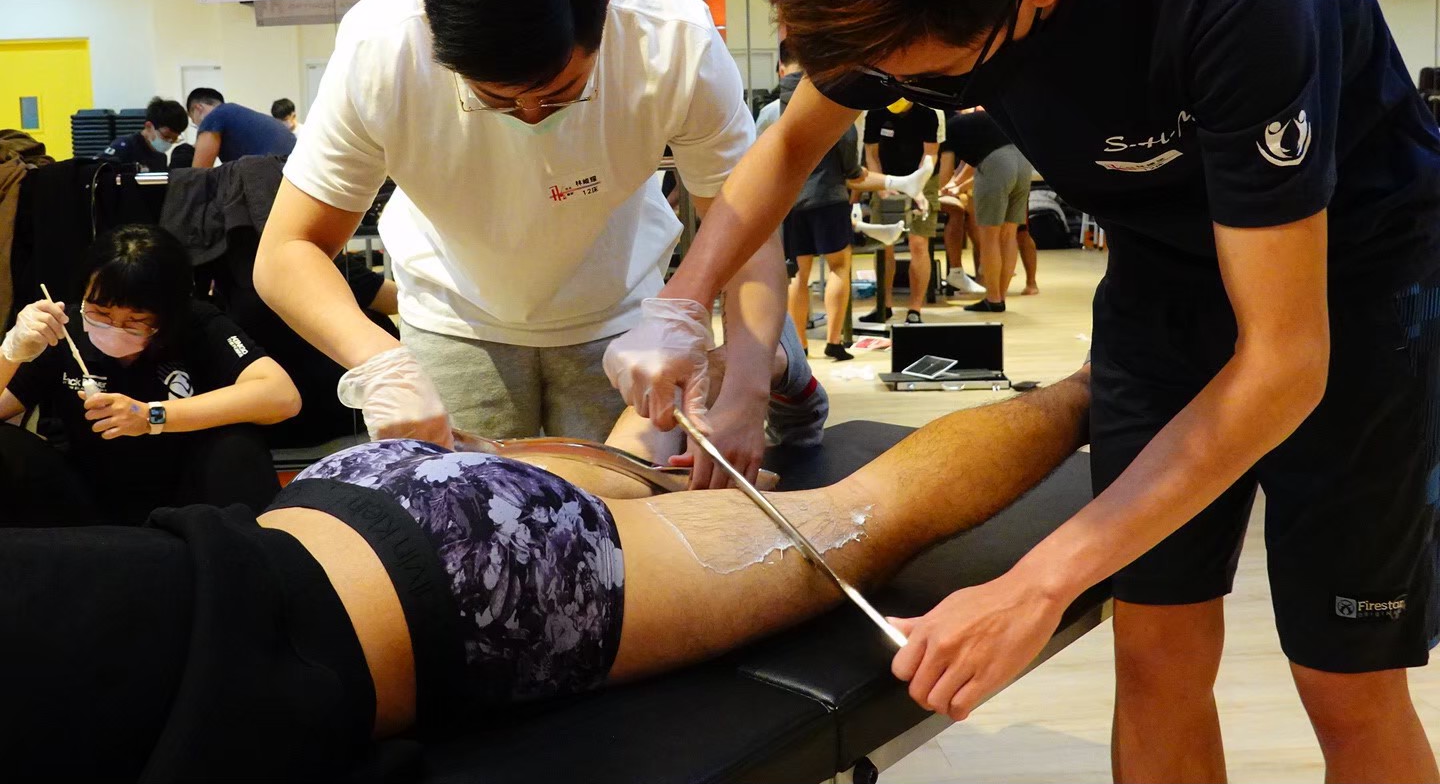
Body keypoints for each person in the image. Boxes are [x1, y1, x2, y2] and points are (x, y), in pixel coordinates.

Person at [605, 0, 1440, 783]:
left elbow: (1285, 362)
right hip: (1159, 278)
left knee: (1346, 679)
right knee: (1158, 648)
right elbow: (788, 147)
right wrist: (682, 301)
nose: (895, 89)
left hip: (1355, 282)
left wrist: (1037, 584)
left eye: (923, 74)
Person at [0, 358, 1091, 782]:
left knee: (865, 513)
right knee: (611, 475)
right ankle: (693, 431)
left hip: (460, 576)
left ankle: (1104, 380)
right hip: (343, 494)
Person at [255, 0, 825, 491]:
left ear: (602, 13)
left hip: (623, 317)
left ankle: (776, 362)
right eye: (497, 99)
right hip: (455, 319)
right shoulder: (381, 49)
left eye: (560, 92)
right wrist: (381, 363)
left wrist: (746, 395)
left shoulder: (672, 38)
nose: (530, 115)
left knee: (624, 505)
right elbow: (287, 251)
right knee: (470, 515)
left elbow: (747, 225)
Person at [0, 224, 299, 526]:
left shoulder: (198, 325)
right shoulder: (63, 330)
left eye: (136, 320)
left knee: (238, 445)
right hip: (80, 496)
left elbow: (282, 396)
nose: (115, 327)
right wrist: (10, 352)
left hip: (186, 498)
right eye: (101, 312)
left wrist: (151, 417)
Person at [759, 45, 931, 360]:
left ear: (781, 67)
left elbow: (758, 160)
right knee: (838, 268)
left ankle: (800, 345)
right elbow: (852, 167)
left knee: (798, 274)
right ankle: (834, 342)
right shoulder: (832, 108)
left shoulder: (770, 112)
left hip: (790, 203)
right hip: (829, 198)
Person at [941, 108, 1035, 312]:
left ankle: (993, 299)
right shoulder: (978, 121)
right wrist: (957, 184)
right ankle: (1000, 297)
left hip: (998, 164)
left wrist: (939, 191)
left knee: (989, 237)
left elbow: (946, 171)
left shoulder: (946, 128)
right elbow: (977, 161)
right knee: (1009, 235)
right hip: (1024, 161)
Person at [861, 99, 939, 324]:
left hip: (923, 179)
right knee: (884, 245)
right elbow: (871, 154)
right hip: (887, 179)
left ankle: (915, 309)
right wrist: (881, 185)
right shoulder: (875, 112)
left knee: (918, 243)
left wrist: (917, 188)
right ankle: (883, 305)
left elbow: (930, 155)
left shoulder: (927, 113)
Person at [186, 88, 298, 168]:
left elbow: (199, 174)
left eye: (194, 121)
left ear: (198, 108)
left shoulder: (213, 117)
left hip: (275, 176)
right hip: (296, 173)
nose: (199, 127)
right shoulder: (238, 114)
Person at [99, 96, 187, 172]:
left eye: (174, 139)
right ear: (149, 126)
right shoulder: (124, 147)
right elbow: (98, 171)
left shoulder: (161, 158)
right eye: (166, 136)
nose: (169, 142)